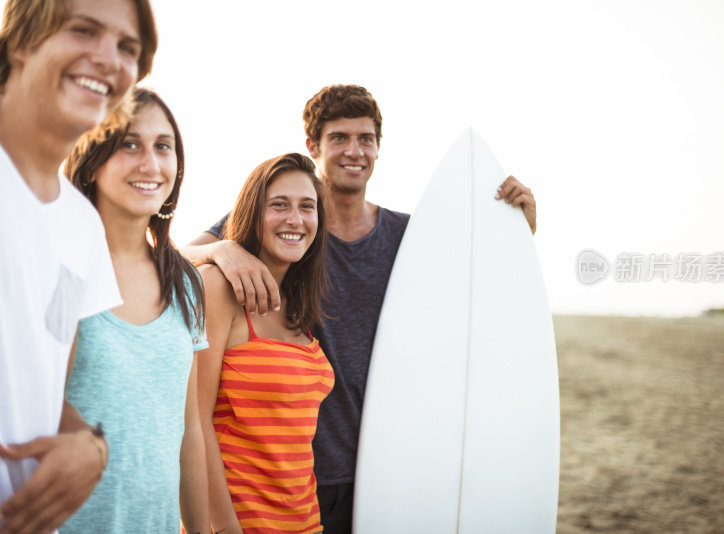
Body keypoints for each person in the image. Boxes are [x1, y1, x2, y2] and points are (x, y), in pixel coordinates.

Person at [182, 84, 537, 533]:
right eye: (339, 138)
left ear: (378, 148)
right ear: (313, 147)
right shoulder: (290, 225)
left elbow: (477, 286)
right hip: (294, 461)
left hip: (382, 468)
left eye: (366, 139)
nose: (355, 151)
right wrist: (223, 251)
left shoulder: (410, 235)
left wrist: (515, 231)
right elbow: (171, 256)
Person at [0, 1, 157, 532]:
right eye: (83, 31)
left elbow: (43, 383)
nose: (107, 59)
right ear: (21, 38)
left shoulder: (80, 226)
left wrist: (91, 447)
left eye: (127, 48)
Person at [57, 87, 208, 533]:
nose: (151, 163)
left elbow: (190, 427)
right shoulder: (62, 272)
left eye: (164, 146)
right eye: (130, 144)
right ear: (92, 160)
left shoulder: (186, 284)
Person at [197, 153, 333, 534]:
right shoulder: (218, 289)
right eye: (279, 205)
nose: (295, 219)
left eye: (307, 206)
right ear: (253, 213)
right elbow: (194, 422)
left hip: (306, 523)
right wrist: (222, 529)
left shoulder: (297, 304)